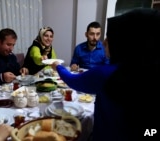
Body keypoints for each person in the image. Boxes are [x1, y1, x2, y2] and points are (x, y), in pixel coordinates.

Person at [51, 8, 159, 141]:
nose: (103, 42)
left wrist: (58, 66)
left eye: (109, 37)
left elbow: (72, 80)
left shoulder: (106, 74)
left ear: (123, 42)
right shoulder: (150, 70)